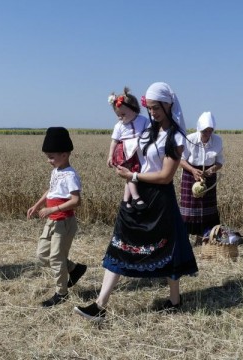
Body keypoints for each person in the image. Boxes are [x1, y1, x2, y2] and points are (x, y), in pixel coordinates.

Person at [74, 82, 198, 322]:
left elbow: (165, 176)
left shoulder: (176, 137)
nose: (152, 112)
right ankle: (100, 305)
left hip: (159, 198)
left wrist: (133, 176)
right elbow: (127, 136)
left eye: (156, 107)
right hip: (137, 192)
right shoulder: (150, 129)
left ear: (168, 104)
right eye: (149, 108)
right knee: (121, 242)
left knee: (168, 248)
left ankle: (175, 301)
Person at [27, 127, 87, 307]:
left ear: (65, 154)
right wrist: (37, 205)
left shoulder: (70, 175)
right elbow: (51, 190)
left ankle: (61, 293)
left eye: (51, 157)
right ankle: (75, 269)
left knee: (56, 258)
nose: (48, 161)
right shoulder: (56, 171)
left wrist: (53, 210)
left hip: (64, 222)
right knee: (42, 254)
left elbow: (76, 201)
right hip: (52, 221)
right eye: (47, 157)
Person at [180, 111, 224, 245]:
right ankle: (185, 240)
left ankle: (202, 238)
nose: (208, 133)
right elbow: (180, 160)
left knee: (206, 208)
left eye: (210, 130)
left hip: (208, 176)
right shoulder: (190, 139)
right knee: (189, 209)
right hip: (190, 174)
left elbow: (220, 162)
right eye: (205, 131)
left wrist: (211, 170)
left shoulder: (217, 140)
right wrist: (193, 170)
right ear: (199, 129)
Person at [107, 87, 149, 211]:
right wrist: (110, 156)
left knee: (130, 175)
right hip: (124, 152)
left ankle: (126, 200)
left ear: (134, 109)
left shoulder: (143, 120)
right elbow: (114, 141)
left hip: (138, 151)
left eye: (123, 114)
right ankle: (136, 197)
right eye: (118, 115)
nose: (120, 118)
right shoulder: (119, 126)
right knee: (130, 174)